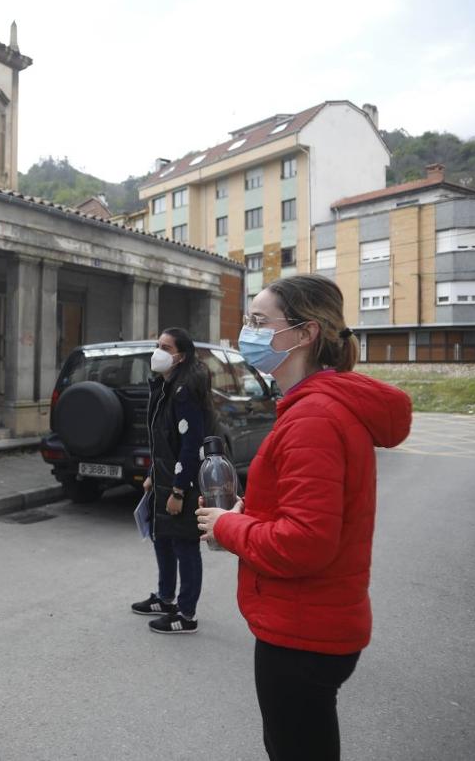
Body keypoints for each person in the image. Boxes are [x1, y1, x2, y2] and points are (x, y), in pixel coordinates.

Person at [195, 274, 412, 761]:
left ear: (304, 333)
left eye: (258, 322)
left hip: (302, 630)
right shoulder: (313, 408)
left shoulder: (314, 417)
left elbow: (306, 541)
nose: (246, 334)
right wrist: (256, 511)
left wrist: (228, 525)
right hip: (311, 622)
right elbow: (307, 512)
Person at [130, 327, 218, 634]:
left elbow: (190, 445)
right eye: (158, 345)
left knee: (184, 544)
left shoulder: (184, 393)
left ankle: (186, 613)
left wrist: (179, 490)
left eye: (166, 347)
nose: (159, 351)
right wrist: (154, 476)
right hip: (165, 477)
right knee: (162, 537)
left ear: (180, 356)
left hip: (183, 482)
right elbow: (165, 440)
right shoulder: (165, 386)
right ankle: (166, 598)